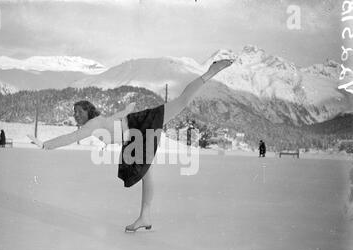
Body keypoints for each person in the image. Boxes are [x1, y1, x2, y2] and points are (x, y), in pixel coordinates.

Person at [28, 59, 234, 232]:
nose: (76, 115)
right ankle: (145, 217)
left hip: (141, 125)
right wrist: (126, 109)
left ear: (88, 111)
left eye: (79, 111)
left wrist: (45, 145)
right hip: (135, 137)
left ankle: (211, 71)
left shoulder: (93, 124)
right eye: (74, 112)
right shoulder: (99, 121)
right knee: (146, 173)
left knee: (181, 102)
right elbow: (116, 118)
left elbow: (70, 138)